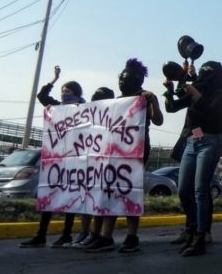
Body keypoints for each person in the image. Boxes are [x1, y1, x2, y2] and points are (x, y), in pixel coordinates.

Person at [85, 59, 163, 253]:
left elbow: (158, 120)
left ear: (136, 78)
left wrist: (152, 100)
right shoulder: (117, 101)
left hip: (135, 151)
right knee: (110, 192)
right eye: (120, 77)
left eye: (125, 77)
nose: (121, 80)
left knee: (130, 191)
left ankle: (132, 236)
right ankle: (106, 237)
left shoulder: (145, 97)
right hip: (113, 151)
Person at [163, 60, 222, 256]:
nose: (204, 75)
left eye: (208, 72)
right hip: (192, 142)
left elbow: (212, 114)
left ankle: (200, 235)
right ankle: (191, 228)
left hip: (210, 141)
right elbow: (172, 108)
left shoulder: (220, 94)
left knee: (200, 190)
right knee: (184, 190)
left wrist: (194, 92)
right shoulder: (194, 90)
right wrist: (169, 91)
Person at [19, 65, 85, 249]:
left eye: (68, 91)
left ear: (77, 93)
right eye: (63, 91)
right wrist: (54, 80)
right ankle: (41, 235)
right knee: (49, 194)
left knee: (70, 197)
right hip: (56, 161)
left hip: (74, 161)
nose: (64, 94)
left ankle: (66, 235)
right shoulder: (57, 108)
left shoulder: (84, 108)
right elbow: (41, 96)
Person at [67, 87, 116, 249]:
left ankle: (96, 234)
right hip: (90, 163)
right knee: (88, 197)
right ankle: (88, 233)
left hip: (105, 163)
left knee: (99, 198)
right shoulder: (88, 114)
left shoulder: (115, 113)